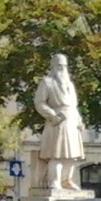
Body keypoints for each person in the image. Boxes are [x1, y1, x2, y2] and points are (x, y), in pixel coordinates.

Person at [34, 53, 85, 191]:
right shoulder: (47, 82)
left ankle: (66, 180)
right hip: (58, 121)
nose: (62, 69)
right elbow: (39, 102)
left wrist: (79, 119)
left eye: (64, 66)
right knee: (56, 154)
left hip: (72, 120)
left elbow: (73, 105)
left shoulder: (70, 84)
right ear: (53, 66)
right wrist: (51, 115)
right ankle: (54, 181)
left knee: (72, 156)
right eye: (59, 65)